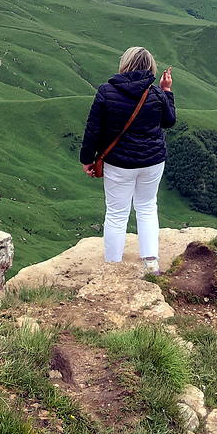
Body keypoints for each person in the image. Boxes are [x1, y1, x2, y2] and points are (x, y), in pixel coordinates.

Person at [79, 46, 176, 273]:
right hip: (152, 161)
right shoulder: (155, 93)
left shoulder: (106, 91)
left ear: (125, 64)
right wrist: (167, 91)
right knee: (147, 207)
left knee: (116, 213)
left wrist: (87, 159)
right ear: (150, 67)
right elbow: (169, 122)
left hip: (118, 162)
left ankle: (113, 267)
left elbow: (93, 129)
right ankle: (151, 262)